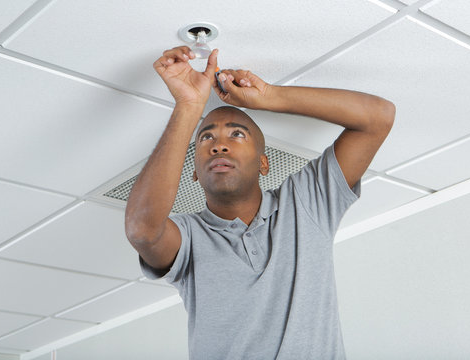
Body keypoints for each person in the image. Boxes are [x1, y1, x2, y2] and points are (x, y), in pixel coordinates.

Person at [125, 46, 395, 359]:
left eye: (237, 134)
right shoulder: (189, 237)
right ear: (195, 173)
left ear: (264, 164)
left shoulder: (306, 203)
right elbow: (142, 230)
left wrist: (269, 96)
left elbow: (379, 117)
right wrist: (188, 106)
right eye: (206, 138)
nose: (219, 146)